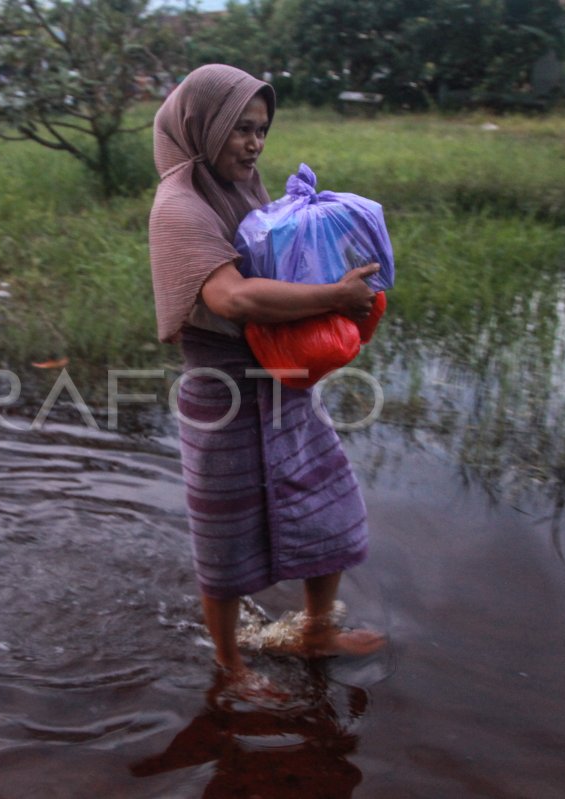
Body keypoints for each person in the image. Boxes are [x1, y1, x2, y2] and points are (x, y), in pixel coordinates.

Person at [148, 65, 385, 687]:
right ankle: (230, 666)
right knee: (224, 535)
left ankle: (314, 629)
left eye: (261, 130)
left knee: (327, 501)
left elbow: (279, 260)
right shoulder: (180, 204)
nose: (254, 144)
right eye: (239, 130)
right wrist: (335, 298)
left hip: (282, 379)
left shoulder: (247, 186)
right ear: (203, 127)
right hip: (221, 388)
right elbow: (233, 299)